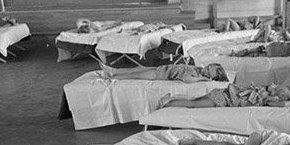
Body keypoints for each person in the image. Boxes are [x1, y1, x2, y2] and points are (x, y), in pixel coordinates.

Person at [160, 81, 290, 109]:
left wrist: (289, 99)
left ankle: (170, 100)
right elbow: (283, 103)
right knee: (193, 102)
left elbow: (282, 103)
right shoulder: (264, 94)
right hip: (223, 96)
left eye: (276, 86)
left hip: (223, 96)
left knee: (194, 101)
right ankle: (168, 103)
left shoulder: (264, 94)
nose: (274, 85)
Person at [95, 62, 228, 83]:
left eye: (208, 70)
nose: (205, 68)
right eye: (208, 66)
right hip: (162, 68)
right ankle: (112, 70)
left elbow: (186, 80)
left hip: (160, 75)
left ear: (210, 76)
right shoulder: (198, 69)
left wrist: (202, 79)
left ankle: (111, 78)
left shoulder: (197, 76)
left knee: (135, 75)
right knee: (136, 69)